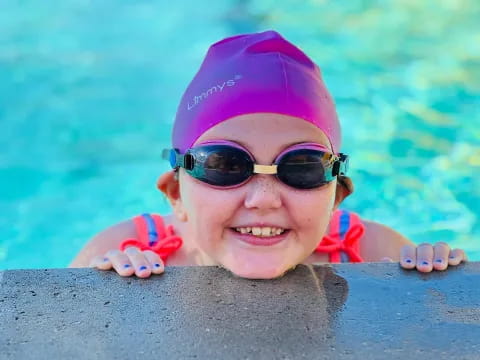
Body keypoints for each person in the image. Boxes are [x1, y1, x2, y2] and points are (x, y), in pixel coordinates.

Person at [70, 30, 467, 279]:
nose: (263, 199)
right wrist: (93, 289)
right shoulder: (123, 251)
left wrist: (431, 273)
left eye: (302, 168)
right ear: (176, 193)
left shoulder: (373, 253)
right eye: (225, 165)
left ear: (336, 198)